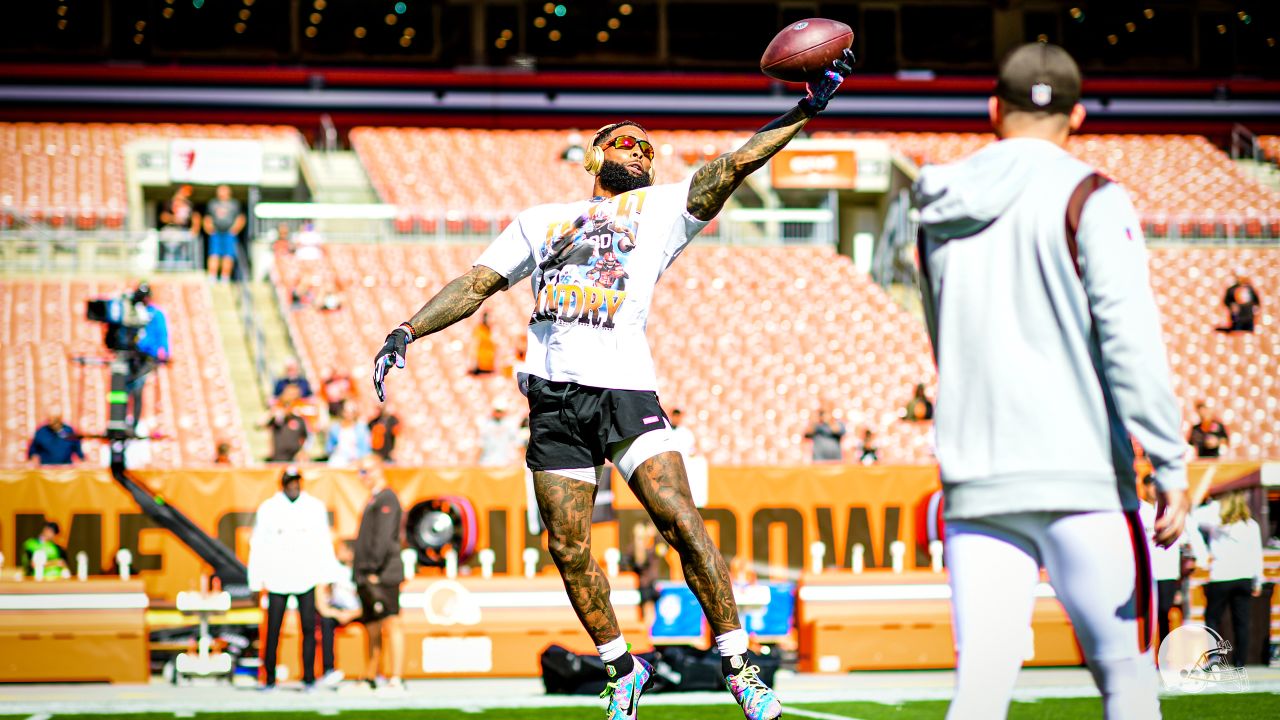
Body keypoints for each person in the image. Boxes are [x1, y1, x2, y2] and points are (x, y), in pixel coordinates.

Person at [371, 54, 851, 719]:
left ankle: (739, 664)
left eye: (648, 146)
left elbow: (736, 163)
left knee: (681, 520)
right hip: (553, 400)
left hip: (624, 393)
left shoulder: (662, 210)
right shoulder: (541, 219)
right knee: (568, 548)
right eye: (626, 141)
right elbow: (477, 285)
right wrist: (407, 329)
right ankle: (623, 668)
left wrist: (805, 109)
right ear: (594, 157)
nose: (641, 150)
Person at [913, 43, 1188, 720]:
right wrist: (1170, 459)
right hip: (1082, 474)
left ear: (992, 110)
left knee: (979, 686)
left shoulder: (937, 197)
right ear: (1081, 115)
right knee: (1126, 678)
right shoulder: (1092, 193)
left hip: (978, 477)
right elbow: (1129, 337)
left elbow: (939, 332)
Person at [247, 466, 336, 691]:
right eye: (289, 481)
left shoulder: (314, 507)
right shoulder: (269, 508)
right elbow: (258, 545)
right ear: (283, 483)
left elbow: (323, 542)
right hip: (277, 577)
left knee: (308, 629)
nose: (293, 486)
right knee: (273, 629)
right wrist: (256, 580)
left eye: (296, 481)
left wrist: (327, 576)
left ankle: (308, 677)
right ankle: (269, 678)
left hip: (305, 575)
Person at [1195, 491, 1265, 666]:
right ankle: (1240, 661)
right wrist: (1258, 580)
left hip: (1220, 577)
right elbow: (1257, 554)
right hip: (1244, 577)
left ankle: (1214, 656)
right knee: (1241, 621)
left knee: (1212, 618)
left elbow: (1194, 516)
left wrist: (1212, 504)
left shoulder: (1216, 524)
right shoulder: (1251, 526)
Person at [353, 457, 405, 691]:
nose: (362, 476)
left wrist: (373, 568)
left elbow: (383, 538)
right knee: (372, 626)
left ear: (376, 470)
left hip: (383, 574)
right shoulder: (374, 498)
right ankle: (371, 675)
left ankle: (396, 676)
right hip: (368, 574)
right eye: (360, 472)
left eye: (365, 471)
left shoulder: (387, 498)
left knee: (391, 623)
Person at [1137, 476, 1208, 642]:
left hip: (1167, 571)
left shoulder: (1172, 510)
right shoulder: (1139, 510)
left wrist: (1201, 557)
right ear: (1145, 487)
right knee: (1145, 613)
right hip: (1145, 571)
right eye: (1152, 486)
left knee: (1164, 611)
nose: (1155, 490)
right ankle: (1145, 651)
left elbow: (1192, 533)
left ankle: (1163, 651)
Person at [315, 541, 363, 688]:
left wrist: (352, 614)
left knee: (376, 624)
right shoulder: (333, 569)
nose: (338, 553)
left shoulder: (361, 571)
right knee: (325, 622)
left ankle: (373, 671)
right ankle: (329, 669)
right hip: (339, 610)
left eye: (342, 550)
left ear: (351, 553)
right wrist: (335, 613)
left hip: (358, 611)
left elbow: (369, 602)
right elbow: (321, 598)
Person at [128, 281, 170, 424]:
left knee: (138, 385)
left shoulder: (156, 314)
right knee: (126, 386)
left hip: (148, 356)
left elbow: (163, 334)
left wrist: (164, 353)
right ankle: (126, 418)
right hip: (133, 355)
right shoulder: (133, 311)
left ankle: (136, 421)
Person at [203, 184, 245, 282]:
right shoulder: (212, 203)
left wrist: (234, 230)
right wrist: (209, 228)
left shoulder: (234, 204)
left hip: (229, 234)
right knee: (214, 254)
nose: (221, 192)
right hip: (216, 233)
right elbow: (207, 217)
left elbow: (241, 218)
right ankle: (212, 276)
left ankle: (225, 277)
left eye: (223, 190)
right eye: (219, 190)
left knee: (228, 255)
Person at [260, 385, 310, 463]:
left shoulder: (299, 417)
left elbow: (305, 437)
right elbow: (261, 423)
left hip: (294, 457)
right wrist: (274, 412)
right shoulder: (277, 415)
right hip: (279, 457)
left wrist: (302, 451)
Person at [158, 185, 200, 266]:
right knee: (170, 252)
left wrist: (195, 228)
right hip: (171, 230)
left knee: (183, 253)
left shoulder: (189, 205)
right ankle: (169, 269)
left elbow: (196, 217)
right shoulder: (169, 203)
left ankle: (182, 269)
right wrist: (174, 219)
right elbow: (163, 217)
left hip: (184, 230)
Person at [477, 401, 522, 466]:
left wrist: (518, 459)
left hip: (504, 461)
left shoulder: (510, 424)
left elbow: (517, 442)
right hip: (487, 461)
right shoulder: (486, 424)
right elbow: (481, 444)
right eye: (497, 411)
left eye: (500, 411)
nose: (499, 413)